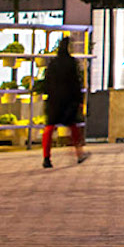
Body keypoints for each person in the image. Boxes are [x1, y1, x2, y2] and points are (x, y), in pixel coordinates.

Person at [42, 37, 88, 168]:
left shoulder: (53, 63)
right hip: (68, 100)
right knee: (73, 127)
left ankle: (46, 157)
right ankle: (79, 154)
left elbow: (47, 81)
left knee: (49, 128)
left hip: (54, 100)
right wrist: (79, 100)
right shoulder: (71, 63)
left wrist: (48, 95)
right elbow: (75, 82)